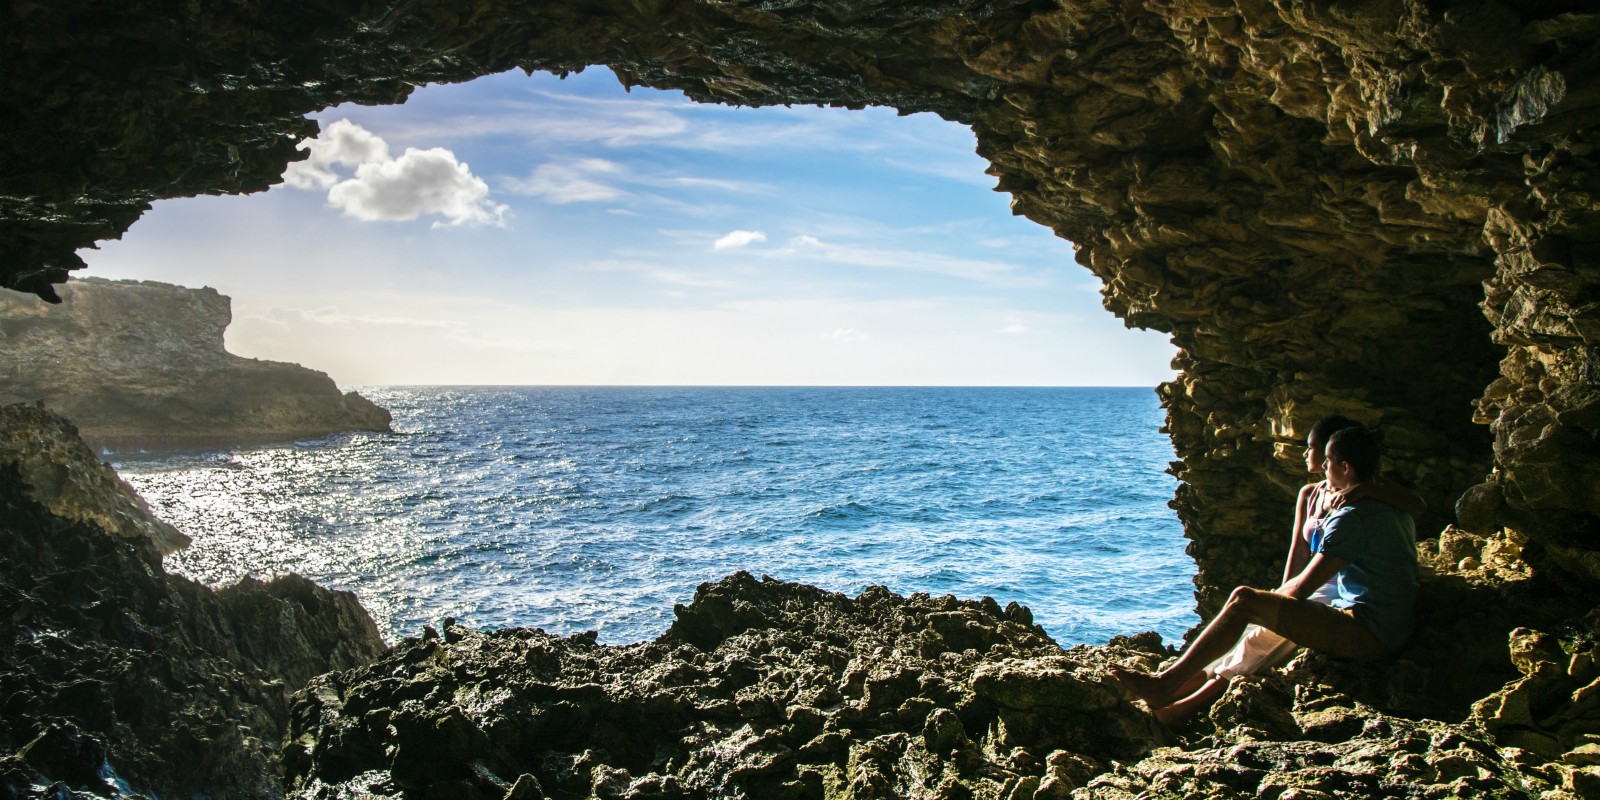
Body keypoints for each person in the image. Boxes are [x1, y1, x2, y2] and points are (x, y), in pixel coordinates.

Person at [1112, 423, 1421, 723]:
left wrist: (1259, 606)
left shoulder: (1352, 519)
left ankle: (1165, 687)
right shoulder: (1389, 506)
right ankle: (1171, 696)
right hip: (1390, 625)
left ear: (1345, 467)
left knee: (1243, 601)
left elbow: (1301, 589)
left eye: (1327, 460)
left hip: (1370, 633)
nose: (1323, 465)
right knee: (1247, 620)